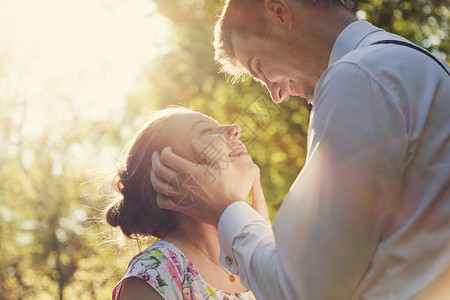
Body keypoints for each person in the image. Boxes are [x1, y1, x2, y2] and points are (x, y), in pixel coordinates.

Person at [150, 0, 450, 299]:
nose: (276, 94)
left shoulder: (359, 77)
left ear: (279, 12)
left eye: (259, 67)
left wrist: (227, 210)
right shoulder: (418, 66)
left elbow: (305, 289)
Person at [105, 106, 269, 300]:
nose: (235, 128)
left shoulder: (263, 260)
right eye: (206, 131)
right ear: (170, 171)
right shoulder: (156, 273)